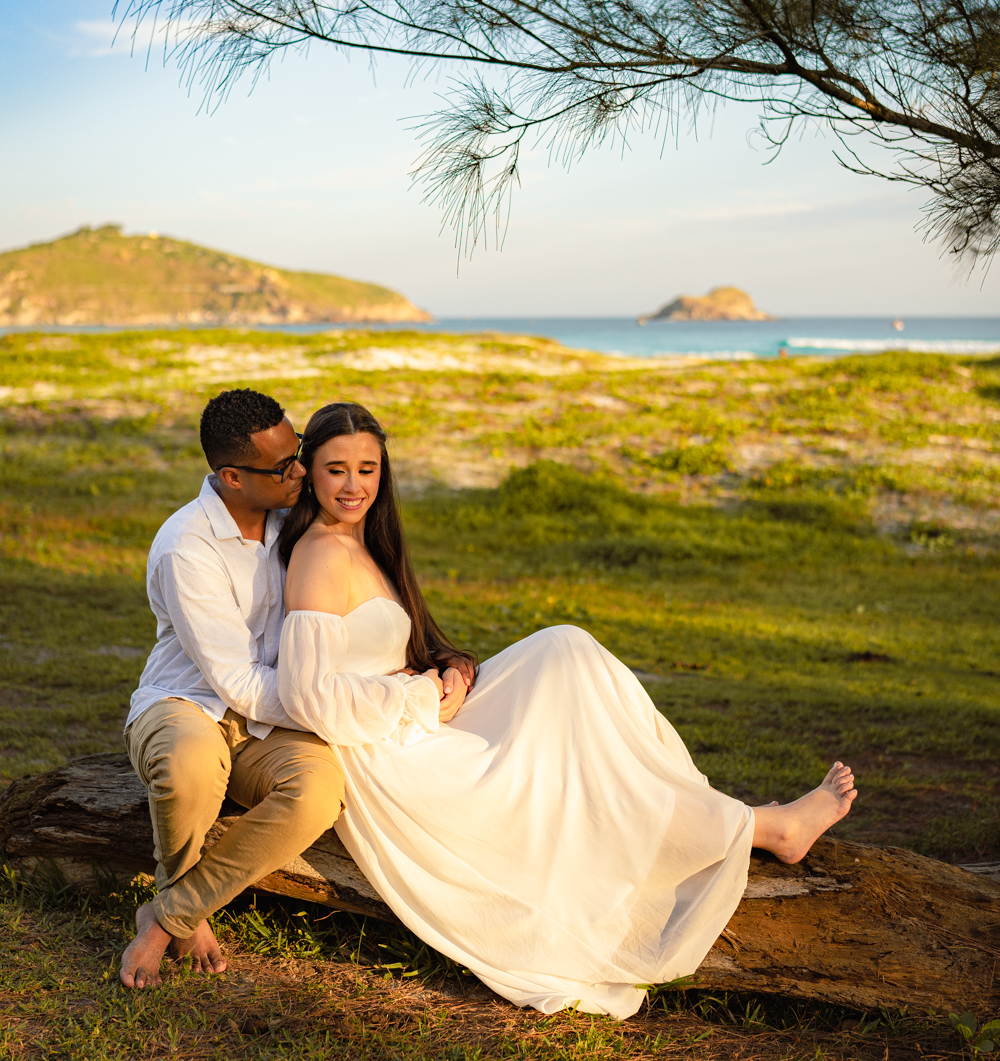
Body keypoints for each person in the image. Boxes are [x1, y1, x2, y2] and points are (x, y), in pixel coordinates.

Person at [276, 400, 858, 1019]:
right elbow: (308, 694)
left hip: (414, 714)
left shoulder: (364, 543)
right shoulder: (320, 555)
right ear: (309, 471)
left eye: (367, 469)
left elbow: (393, 647)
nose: (353, 485)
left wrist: (448, 669)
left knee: (565, 651)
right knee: (569, 752)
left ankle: (717, 812)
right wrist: (420, 697)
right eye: (336, 469)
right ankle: (768, 829)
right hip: (391, 748)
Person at [119, 389, 345, 990]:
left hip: (268, 719)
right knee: (188, 763)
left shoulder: (294, 519)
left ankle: (169, 913)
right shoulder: (185, 546)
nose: (301, 471)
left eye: (298, 454)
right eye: (283, 468)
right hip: (185, 702)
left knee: (318, 791)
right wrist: (330, 709)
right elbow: (236, 680)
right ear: (232, 477)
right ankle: (186, 913)